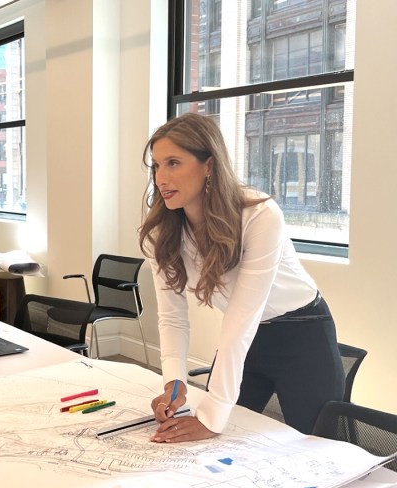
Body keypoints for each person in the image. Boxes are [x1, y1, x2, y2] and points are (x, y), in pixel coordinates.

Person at [139, 113, 344, 443]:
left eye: (173, 163)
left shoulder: (259, 215)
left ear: (209, 165)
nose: (161, 178)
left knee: (315, 448)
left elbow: (241, 318)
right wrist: (174, 381)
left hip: (302, 334)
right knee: (226, 441)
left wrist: (211, 415)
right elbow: (172, 318)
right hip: (246, 338)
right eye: (156, 166)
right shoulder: (161, 233)